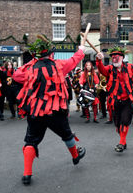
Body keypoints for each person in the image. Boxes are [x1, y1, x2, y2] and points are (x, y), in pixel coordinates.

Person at [13, 35, 86, 185]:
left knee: (31, 141)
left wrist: (33, 62)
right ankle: (75, 157)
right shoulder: (59, 65)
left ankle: (27, 174)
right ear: (51, 54)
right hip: (56, 112)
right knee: (66, 134)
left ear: (37, 55)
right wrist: (81, 50)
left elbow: (16, 75)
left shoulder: (30, 69)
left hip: (36, 112)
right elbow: (73, 62)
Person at [96, 46, 133, 152]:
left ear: (122, 58)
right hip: (115, 101)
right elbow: (101, 70)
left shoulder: (130, 67)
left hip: (128, 100)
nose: (114, 59)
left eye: (116, 57)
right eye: (112, 57)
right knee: (117, 125)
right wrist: (99, 60)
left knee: (125, 122)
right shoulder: (109, 69)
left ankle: (121, 143)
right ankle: (123, 141)